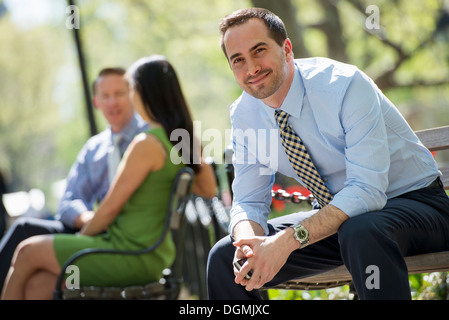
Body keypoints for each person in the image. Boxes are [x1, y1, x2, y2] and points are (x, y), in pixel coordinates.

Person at [207, 7, 449, 300]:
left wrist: (285, 242)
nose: (251, 68)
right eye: (238, 60)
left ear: (286, 49)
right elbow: (248, 200)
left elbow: (367, 191)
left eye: (259, 51)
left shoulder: (344, 85)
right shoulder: (245, 115)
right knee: (224, 257)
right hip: (340, 225)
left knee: (361, 230)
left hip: (417, 207)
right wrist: (248, 242)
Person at [1, 55, 216, 300]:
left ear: (143, 93)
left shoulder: (146, 143)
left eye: (130, 90)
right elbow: (209, 189)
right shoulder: (181, 139)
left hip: (129, 253)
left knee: (27, 251)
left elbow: (109, 209)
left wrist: (79, 243)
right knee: (38, 285)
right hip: (150, 253)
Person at [0, 67, 149, 292]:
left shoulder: (149, 137)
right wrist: (89, 218)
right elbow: (68, 202)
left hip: (129, 236)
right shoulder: (94, 149)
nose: (112, 103)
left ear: (133, 96)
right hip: (94, 230)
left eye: (119, 93)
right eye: (105, 96)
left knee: (27, 244)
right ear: (96, 102)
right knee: (25, 230)